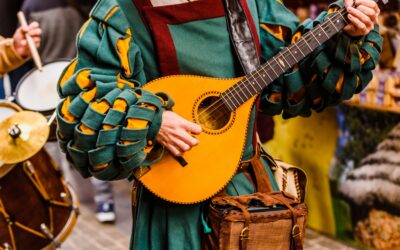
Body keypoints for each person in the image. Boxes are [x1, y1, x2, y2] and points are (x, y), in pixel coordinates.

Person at [56, 0, 382, 249]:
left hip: (252, 194)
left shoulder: (248, 4)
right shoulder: (122, 11)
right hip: (176, 203)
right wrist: (152, 120)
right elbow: (85, 103)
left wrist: (345, 32)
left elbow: (295, 74)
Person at [21, 0, 116, 223]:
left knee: (51, 143)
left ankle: (63, 200)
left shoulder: (31, 6)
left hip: (46, 84)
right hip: (80, 80)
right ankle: (105, 201)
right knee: (91, 138)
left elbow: (30, 51)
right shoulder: (87, 3)